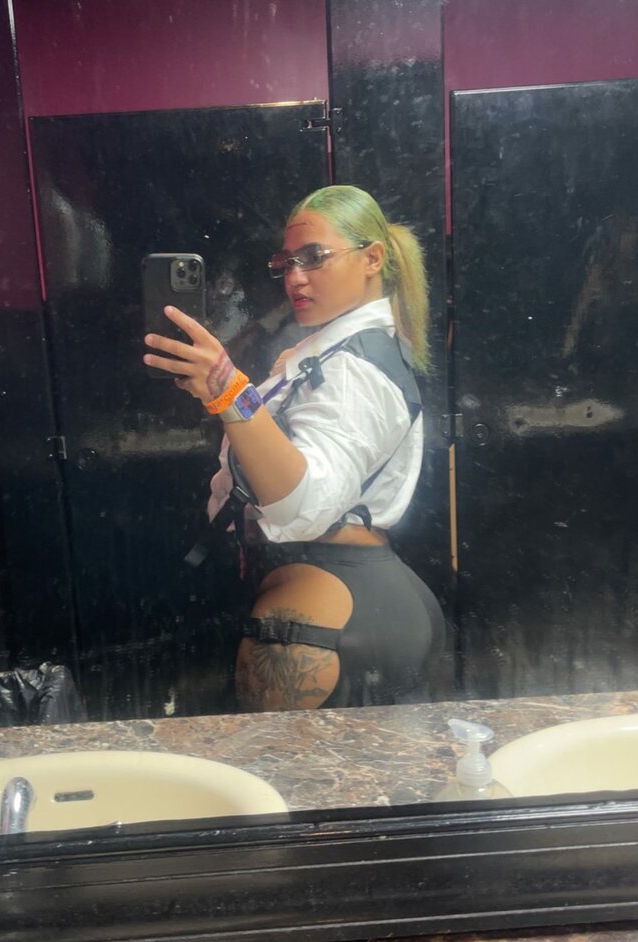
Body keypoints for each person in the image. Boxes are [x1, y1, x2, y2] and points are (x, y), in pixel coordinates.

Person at [143, 184, 445, 712]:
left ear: (372, 258)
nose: (295, 277)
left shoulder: (352, 368)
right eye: (286, 263)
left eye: (314, 257)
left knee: (284, 769)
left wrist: (226, 389)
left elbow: (303, 506)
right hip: (349, 593)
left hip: (316, 611)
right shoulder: (341, 348)